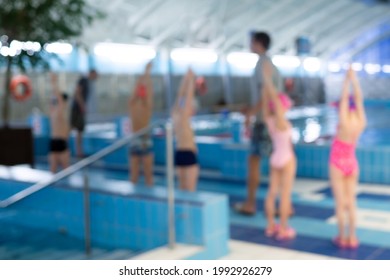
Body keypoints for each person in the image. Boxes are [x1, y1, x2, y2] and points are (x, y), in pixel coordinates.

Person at [234, 31, 283, 215]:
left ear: (258, 43)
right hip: (272, 120)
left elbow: (265, 94)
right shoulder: (269, 64)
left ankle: (251, 203)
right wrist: (250, 108)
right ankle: (279, 204)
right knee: (274, 162)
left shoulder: (263, 65)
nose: (249, 44)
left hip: (263, 121)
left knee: (254, 161)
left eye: (251, 42)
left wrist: (251, 114)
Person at [329, 67, 366, 249]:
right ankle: (352, 237)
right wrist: (355, 80)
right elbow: (358, 99)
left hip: (337, 163)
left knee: (340, 202)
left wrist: (346, 81)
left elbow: (344, 99)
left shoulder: (343, 121)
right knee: (351, 202)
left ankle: (341, 236)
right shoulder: (360, 122)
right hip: (352, 163)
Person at [262, 68, 296, 240]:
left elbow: (268, 103)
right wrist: (269, 82)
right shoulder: (282, 122)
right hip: (287, 159)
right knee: (285, 195)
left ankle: (270, 226)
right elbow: (275, 100)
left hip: (275, 158)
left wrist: (265, 89)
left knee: (272, 192)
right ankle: (282, 229)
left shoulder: (270, 120)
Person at [171, 69, 199, 192]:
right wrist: (191, 80)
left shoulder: (175, 115)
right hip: (188, 153)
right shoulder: (184, 117)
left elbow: (179, 96)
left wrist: (185, 79)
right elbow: (187, 97)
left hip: (178, 153)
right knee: (191, 190)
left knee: (182, 190)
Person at [128, 62, 154, 186]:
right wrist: (146, 72)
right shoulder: (135, 105)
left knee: (146, 175)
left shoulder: (139, 106)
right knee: (136, 175)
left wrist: (146, 73)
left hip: (142, 138)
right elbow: (140, 90)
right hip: (140, 139)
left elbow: (147, 88)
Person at [70, 69, 98, 158]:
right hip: (77, 109)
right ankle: (75, 151)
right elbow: (77, 93)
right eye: (95, 75)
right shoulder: (83, 80)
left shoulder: (87, 82)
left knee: (79, 130)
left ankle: (79, 151)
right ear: (92, 73)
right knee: (75, 128)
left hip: (79, 108)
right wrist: (82, 106)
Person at [49, 73, 70, 173]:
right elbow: (55, 97)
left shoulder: (60, 112)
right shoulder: (56, 111)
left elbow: (58, 98)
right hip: (56, 141)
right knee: (54, 170)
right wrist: (53, 83)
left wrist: (54, 83)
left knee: (65, 170)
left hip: (59, 141)